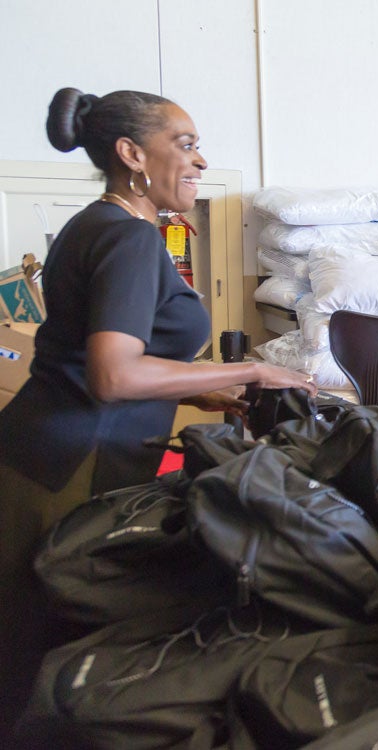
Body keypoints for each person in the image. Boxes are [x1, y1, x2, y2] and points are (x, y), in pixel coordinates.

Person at [0, 87, 318, 736]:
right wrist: (251, 368)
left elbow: (91, 357)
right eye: (185, 144)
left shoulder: (94, 223)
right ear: (131, 154)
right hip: (74, 468)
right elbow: (114, 373)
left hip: (38, 452)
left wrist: (197, 391)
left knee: (19, 632)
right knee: (42, 643)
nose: (200, 161)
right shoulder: (131, 240)